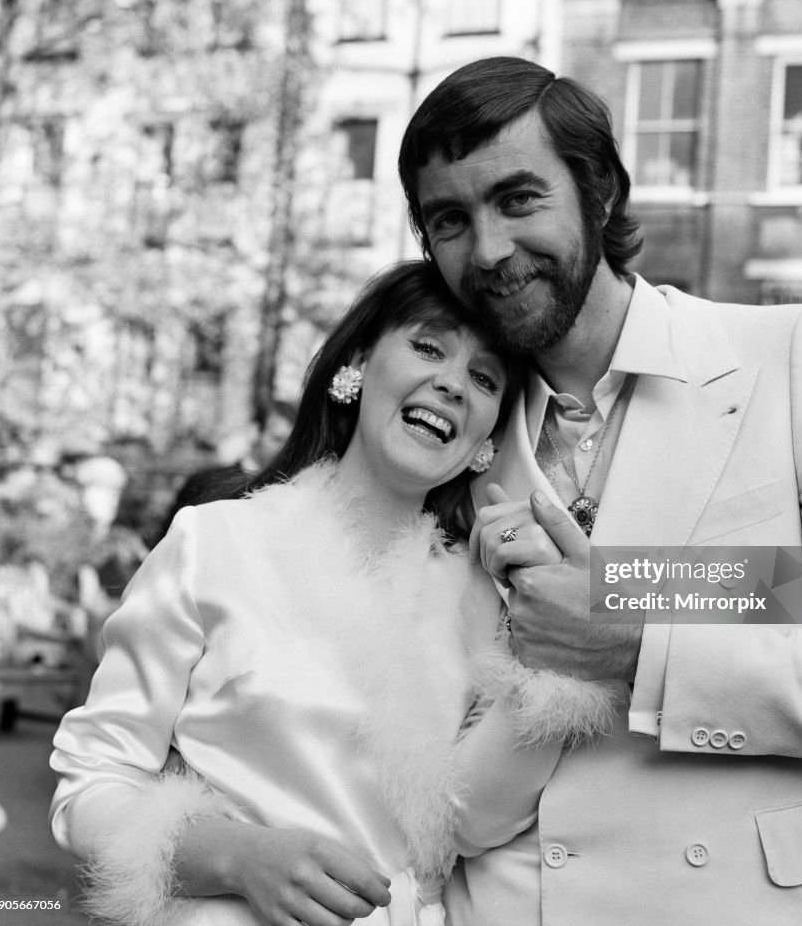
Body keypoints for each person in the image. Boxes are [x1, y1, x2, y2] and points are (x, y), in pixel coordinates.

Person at [397, 57, 802, 926]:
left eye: (519, 199)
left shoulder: (795, 359)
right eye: (449, 219)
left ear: (599, 194)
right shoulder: (446, 435)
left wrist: (634, 644)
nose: (487, 251)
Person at [50, 261, 616, 926]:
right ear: (355, 366)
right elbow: (91, 778)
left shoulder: (485, 600)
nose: (452, 385)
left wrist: (553, 656)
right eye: (427, 346)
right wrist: (236, 855)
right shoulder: (216, 541)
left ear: (486, 443)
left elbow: (471, 826)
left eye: (484, 377)